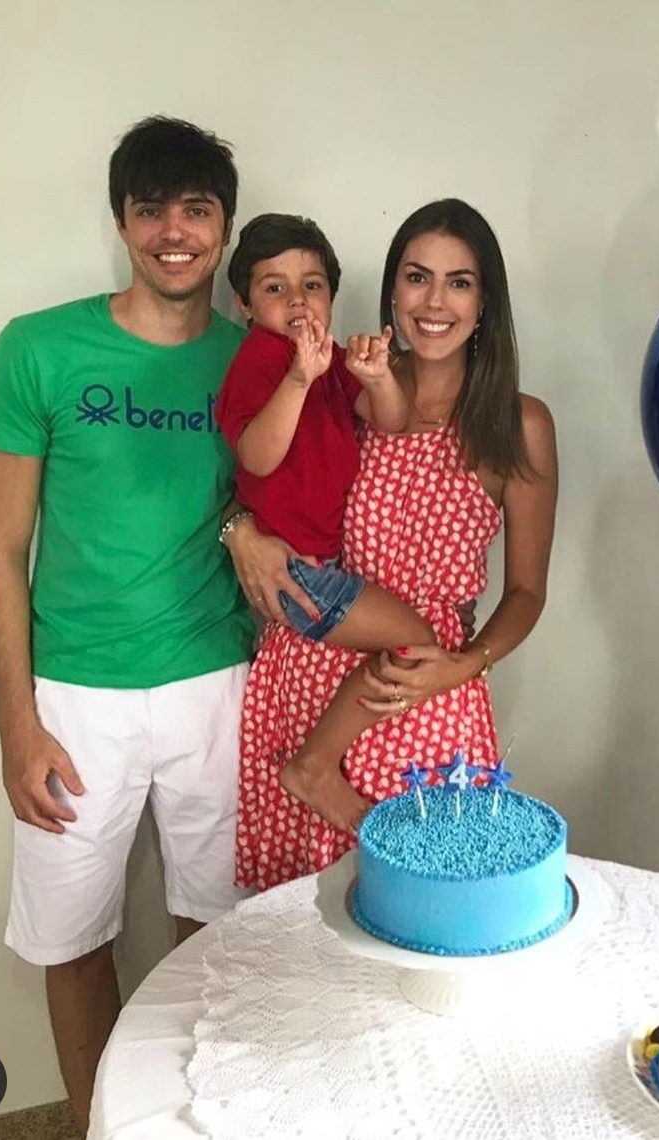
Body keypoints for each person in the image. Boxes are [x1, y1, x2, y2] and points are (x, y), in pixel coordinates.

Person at [0, 116, 252, 1136]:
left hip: (216, 683)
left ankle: (194, 1118)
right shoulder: (38, 349)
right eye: (150, 211)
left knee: (217, 932)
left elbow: (279, 508)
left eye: (196, 211)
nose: (174, 233)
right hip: (73, 696)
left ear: (224, 228)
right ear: (122, 223)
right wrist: (17, 723)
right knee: (72, 940)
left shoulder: (254, 360)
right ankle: (101, 1124)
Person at [222, 198, 558, 891]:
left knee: (426, 910)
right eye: (416, 276)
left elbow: (527, 592)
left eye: (458, 282)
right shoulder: (341, 383)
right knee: (305, 929)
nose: (434, 302)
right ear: (392, 290)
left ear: (484, 302)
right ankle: (314, 770)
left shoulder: (519, 424)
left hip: (422, 687)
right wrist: (240, 531)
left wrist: (464, 666)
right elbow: (259, 473)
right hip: (310, 674)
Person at [215, 214, 438, 832]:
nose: (296, 301)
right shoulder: (260, 360)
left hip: (320, 566)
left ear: (331, 297)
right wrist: (297, 379)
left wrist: (378, 377)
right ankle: (313, 767)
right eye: (274, 288)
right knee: (415, 640)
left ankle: (317, 762)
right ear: (244, 304)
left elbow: (391, 420)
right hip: (292, 572)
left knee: (412, 642)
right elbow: (257, 456)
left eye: (311, 285)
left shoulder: (330, 359)